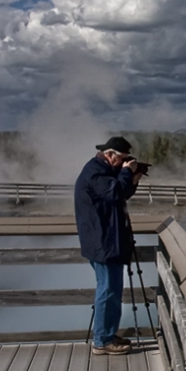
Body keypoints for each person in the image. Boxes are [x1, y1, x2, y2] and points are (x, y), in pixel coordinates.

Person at [74, 136, 144, 355]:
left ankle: (106, 334)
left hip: (106, 240)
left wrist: (133, 179)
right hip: (102, 242)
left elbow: (120, 195)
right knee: (108, 291)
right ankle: (102, 341)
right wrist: (125, 173)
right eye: (122, 159)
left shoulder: (102, 171)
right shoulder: (95, 173)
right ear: (110, 154)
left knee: (112, 290)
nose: (124, 163)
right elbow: (114, 192)